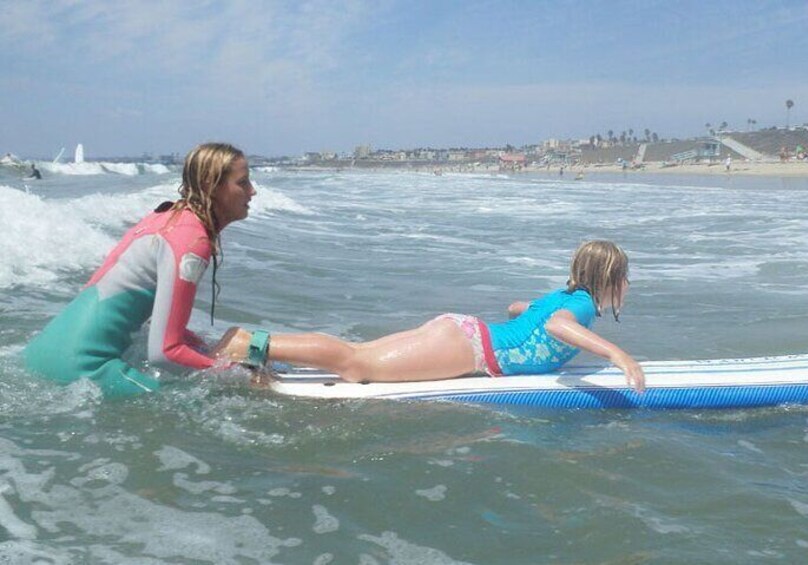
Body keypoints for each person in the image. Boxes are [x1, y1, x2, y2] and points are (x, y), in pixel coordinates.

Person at [216, 240, 645, 392]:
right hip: (472, 350)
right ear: (611, 277)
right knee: (356, 365)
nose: (628, 285)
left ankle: (262, 352)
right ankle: (252, 343)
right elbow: (555, 327)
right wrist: (618, 356)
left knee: (357, 353)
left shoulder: (563, 295)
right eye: (626, 277)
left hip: (462, 333)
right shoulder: (583, 306)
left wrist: (529, 315)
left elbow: (523, 310)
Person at [24, 142, 256, 397]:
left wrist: (204, 349)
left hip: (40, 352)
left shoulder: (165, 217)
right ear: (212, 186)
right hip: (84, 368)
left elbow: (155, 323)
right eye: (243, 182)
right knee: (194, 408)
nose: (252, 191)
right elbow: (165, 352)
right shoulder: (193, 242)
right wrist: (240, 376)